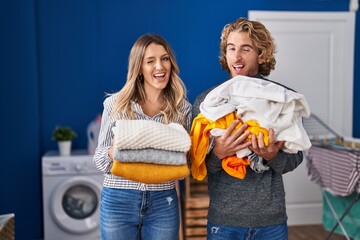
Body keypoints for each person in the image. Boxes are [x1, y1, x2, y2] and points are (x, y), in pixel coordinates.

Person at [191, 18, 305, 240]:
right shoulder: (208, 102)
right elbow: (195, 165)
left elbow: (296, 156)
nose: (236, 56)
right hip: (224, 221)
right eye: (231, 49)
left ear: (261, 55)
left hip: (271, 222)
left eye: (246, 48)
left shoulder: (282, 99)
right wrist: (218, 154)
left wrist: (272, 156)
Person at [93, 34, 192, 240]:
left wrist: (182, 155)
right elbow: (100, 161)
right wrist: (115, 150)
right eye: (150, 61)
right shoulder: (115, 104)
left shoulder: (182, 109)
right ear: (139, 68)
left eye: (165, 59)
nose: (160, 66)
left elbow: (183, 168)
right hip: (118, 202)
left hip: (163, 203)